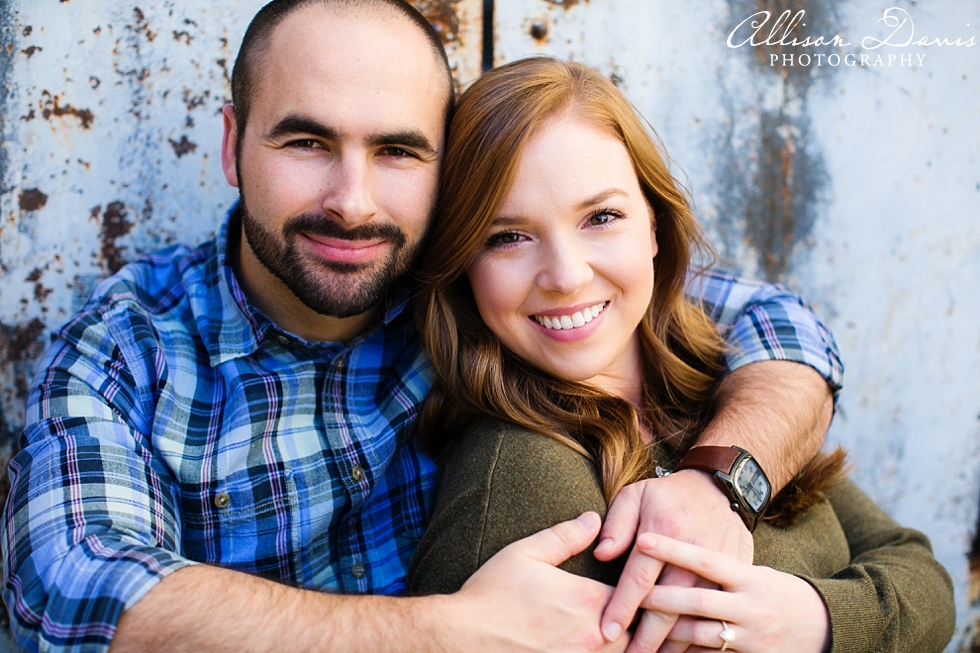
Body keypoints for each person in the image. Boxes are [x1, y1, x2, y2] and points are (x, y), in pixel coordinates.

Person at [2, 2, 842, 652]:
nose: (353, 200)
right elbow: (72, 592)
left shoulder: (480, 290)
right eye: (305, 140)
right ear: (233, 144)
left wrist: (717, 482)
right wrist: (444, 632)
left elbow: (777, 328)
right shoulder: (132, 346)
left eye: (398, 151)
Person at [406, 57, 955, 652]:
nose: (565, 276)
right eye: (507, 236)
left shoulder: (727, 389)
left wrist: (814, 620)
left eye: (601, 217)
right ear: (464, 267)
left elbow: (923, 577)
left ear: (655, 229)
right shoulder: (522, 469)